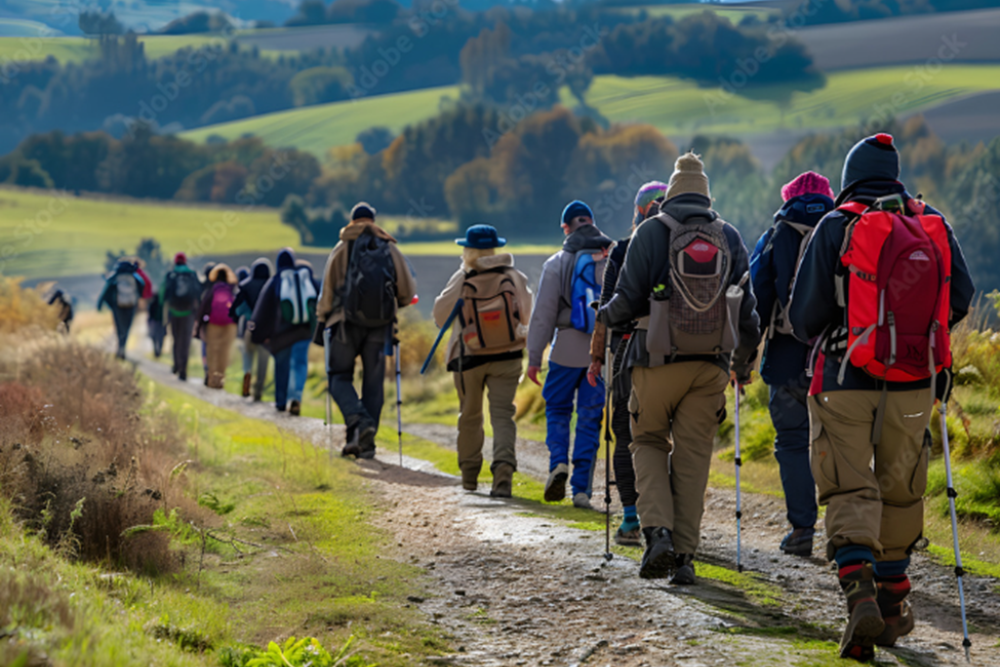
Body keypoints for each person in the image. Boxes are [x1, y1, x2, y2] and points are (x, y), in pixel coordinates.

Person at [789, 133, 974, 661]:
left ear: (851, 175)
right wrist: (914, 338)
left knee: (849, 484)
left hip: (846, 378)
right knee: (901, 486)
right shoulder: (928, 221)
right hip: (914, 381)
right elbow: (960, 294)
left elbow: (804, 317)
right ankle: (893, 600)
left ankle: (859, 593)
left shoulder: (836, 223)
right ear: (895, 173)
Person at [599, 152, 760, 584]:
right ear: (707, 194)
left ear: (670, 193)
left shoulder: (652, 232)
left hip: (653, 362)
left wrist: (606, 315)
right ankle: (685, 559)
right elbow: (747, 312)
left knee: (648, 442)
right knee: (692, 461)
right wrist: (742, 365)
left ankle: (658, 536)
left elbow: (628, 299)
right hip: (710, 366)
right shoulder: (729, 236)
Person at [749, 171, 835, 557]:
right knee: (843, 444)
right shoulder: (848, 227)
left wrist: (744, 359)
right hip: (839, 359)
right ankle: (848, 534)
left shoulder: (776, 235)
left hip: (786, 359)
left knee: (792, 442)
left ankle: (802, 530)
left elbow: (756, 301)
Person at [588, 181, 668, 545]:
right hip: (680, 350)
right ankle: (671, 520)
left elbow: (606, 310)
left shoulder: (622, 250)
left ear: (638, 210)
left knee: (625, 429)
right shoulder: (685, 243)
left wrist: (594, 358)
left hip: (628, 350)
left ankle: (631, 518)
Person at [432, 224, 533, 497]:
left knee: (470, 416)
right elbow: (527, 316)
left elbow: (440, 316)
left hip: (469, 358)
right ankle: (503, 472)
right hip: (509, 356)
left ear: (468, 249)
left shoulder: (463, 277)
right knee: (503, 416)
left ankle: (469, 476)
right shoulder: (514, 276)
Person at [527, 200, 613, 509]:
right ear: (591, 222)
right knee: (590, 418)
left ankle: (558, 463)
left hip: (564, 349)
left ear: (566, 228)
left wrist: (534, 357)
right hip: (600, 355)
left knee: (558, 409)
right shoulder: (612, 257)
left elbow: (542, 316)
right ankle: (581, 491)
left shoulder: (556, 263)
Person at [316, 202, 417, 458]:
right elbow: (406, 291)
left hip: (343, 324)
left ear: (352, 221)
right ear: (373, 221)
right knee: (374, 384)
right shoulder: (389, 248)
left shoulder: (341, 247)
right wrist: (392, 306)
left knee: (338, 377)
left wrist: (321, 317)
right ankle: (366, 442)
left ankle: (359, 424)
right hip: (380, 327)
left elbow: (327, 290)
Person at [250, 248, 319, 415]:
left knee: (282, 367)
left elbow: (263, 309)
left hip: (282, 334)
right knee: (300, 364)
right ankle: (296, 397)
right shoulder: (305, 277)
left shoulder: (276, 281)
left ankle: (281, 402)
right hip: (304, 332)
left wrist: (258, 334)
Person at [230, 258, 273, 401]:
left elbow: (236, 310)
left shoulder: (245, 286)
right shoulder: (272, 286)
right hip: (266, 329)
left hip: (249, 327)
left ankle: (246, 375)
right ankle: (258, 391)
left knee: (247, 356)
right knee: (263, 361)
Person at [195, 264, 238, 389]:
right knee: (224, 352)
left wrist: (199, 327)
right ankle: (220, 380)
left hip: (213, 324)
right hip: (229, 325)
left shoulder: (213, 289)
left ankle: (212, 380)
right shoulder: (231, 289)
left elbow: (203, 307)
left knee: (212, 351)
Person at [161, 252, 201, 381]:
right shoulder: (192, 274)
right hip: (189, 312)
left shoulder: (170, 275)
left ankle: (176, 365)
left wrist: (163, 310)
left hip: (174, 311)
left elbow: (164, 294)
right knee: (185, 341)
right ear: (185, 261)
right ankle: (184, 369)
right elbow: (198, 293)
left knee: (176, 339)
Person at [98, 258, 146, 359]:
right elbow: (142, 284)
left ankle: (119, 348)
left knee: (120, 328)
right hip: (131, 305)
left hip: (117, 306)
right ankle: (122, 348)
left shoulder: (116, 277)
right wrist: (137, 299)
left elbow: (106, 291)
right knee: (127, 327)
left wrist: (103, 304)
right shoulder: (134, 276)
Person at [147, 289, 167, 358]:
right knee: (160, 337)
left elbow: (149, 314)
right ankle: (158, 351)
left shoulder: (152, 303)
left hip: (156, 322)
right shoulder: (164, 304)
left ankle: (157, 350)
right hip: (161, 322)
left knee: (155, 337)